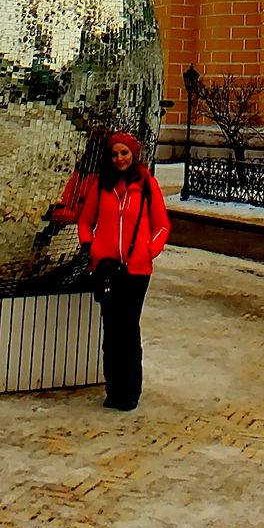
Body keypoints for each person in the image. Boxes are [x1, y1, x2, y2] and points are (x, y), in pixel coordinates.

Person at [78, 130, 169, 412]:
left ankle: (131, 390)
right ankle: (113, 388)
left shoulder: (146, 185)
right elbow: (85, 222)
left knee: (128, 329)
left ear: (134, 155)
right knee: (112, 329)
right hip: (106, 269)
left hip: (136, 270)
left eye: (124, 153)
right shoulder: (100, 185)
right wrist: (90, 247)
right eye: (115, 154)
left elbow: (162, 226)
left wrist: (148, 250)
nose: (120, 159)